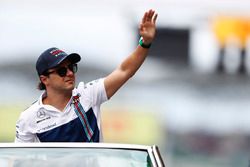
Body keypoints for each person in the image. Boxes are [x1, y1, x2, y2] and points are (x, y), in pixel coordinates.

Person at [15, 9, 158, 142]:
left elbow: (125, 71)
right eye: (62, 71)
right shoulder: (29, 118)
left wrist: (145, 43)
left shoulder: (88, 94)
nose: (70, 73)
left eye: (71, 67)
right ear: (44, 79)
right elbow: (19, 160)